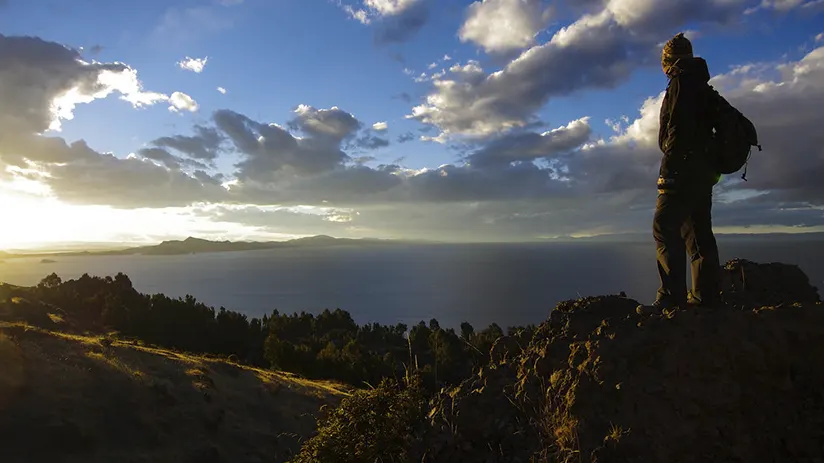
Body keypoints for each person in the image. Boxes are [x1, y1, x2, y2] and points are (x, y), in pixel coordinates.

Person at [637, 32, 721, 314]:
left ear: (668, 62)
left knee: (663, 227)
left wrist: (668, 172)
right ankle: (705, 298)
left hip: (682, 170)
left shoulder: (680, 84)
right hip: (704, 173)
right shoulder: (703, 87)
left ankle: (671, 298)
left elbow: (677, 130)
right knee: (697, 232)